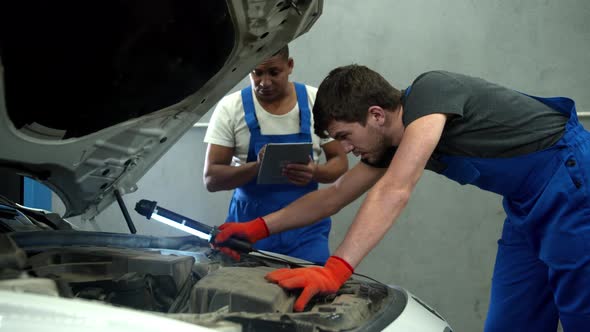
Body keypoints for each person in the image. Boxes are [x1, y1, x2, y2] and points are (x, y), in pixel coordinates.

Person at [214, 65, 590, 331]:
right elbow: (335, 196)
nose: (344, 149)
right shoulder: (390, 143)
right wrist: (256, 228)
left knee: (581, 315)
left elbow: (396, 188)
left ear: (376, 115)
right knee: (511, 324)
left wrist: (335, 269)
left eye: (345, 136)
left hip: (572, 183)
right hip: (526, 207)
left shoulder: (431, 93)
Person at [203, 46, 348, 265]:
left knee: (310, 290)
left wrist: (314, 172)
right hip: (248, 225)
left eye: (273, 72)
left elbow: (340, 161)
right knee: (245, 291)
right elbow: (211, 179)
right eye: (257, 73)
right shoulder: (231, 108)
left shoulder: (315, 100)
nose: (265, 82)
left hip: (305, 227)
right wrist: (256, 167)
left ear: (289, 66)